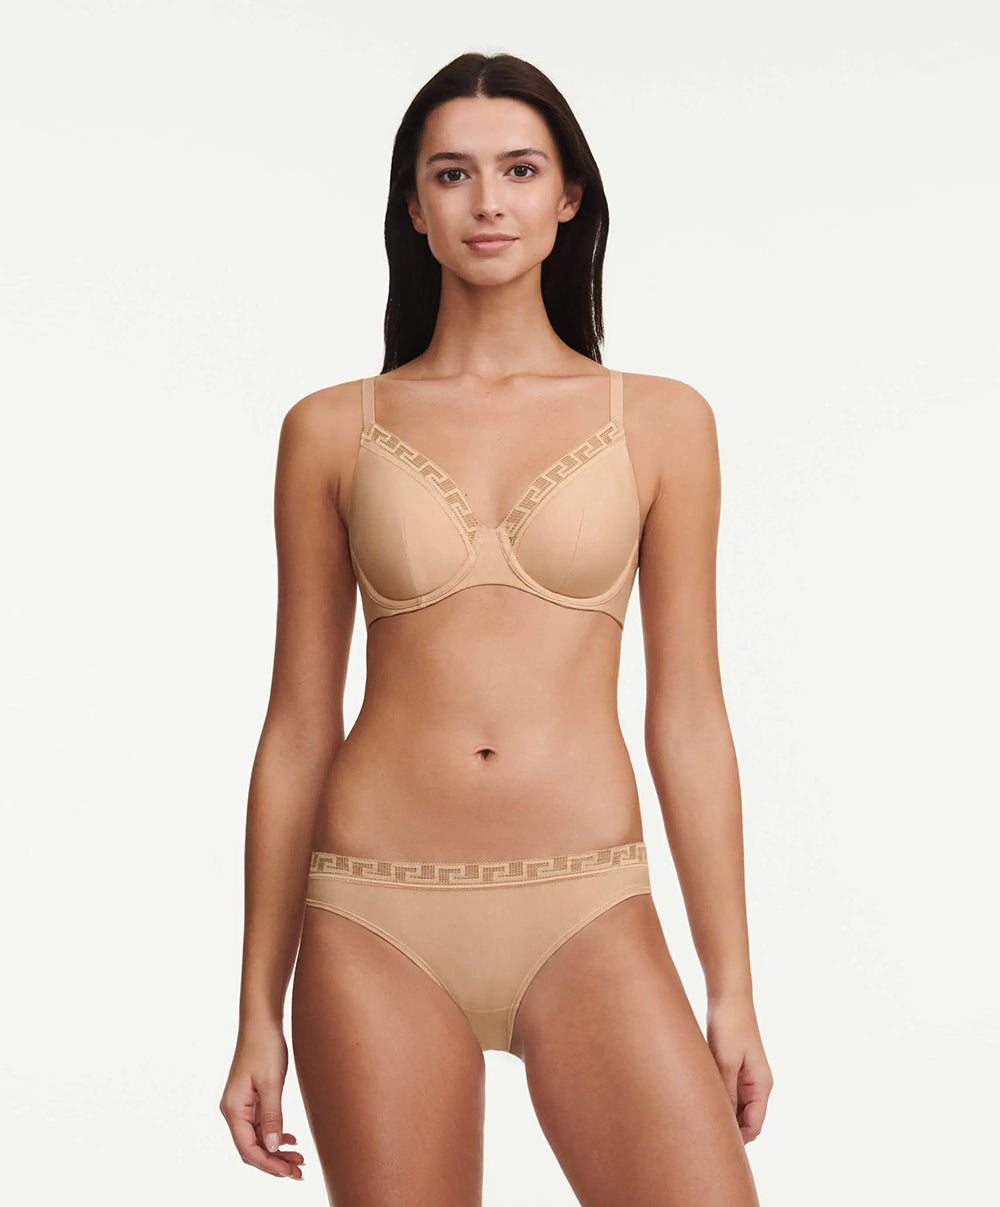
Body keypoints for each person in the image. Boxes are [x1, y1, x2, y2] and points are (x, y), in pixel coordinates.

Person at [219, 50, 772, 1206]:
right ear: (413, 208)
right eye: (452, 173)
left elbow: (688, 716)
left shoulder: (662, 422)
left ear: (568, 195)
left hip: (588, 904)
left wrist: (730, 987)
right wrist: (254, 1010)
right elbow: (297, 726)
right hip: (373, 911)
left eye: (519, 169)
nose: (488, 201)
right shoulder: (329, 430)